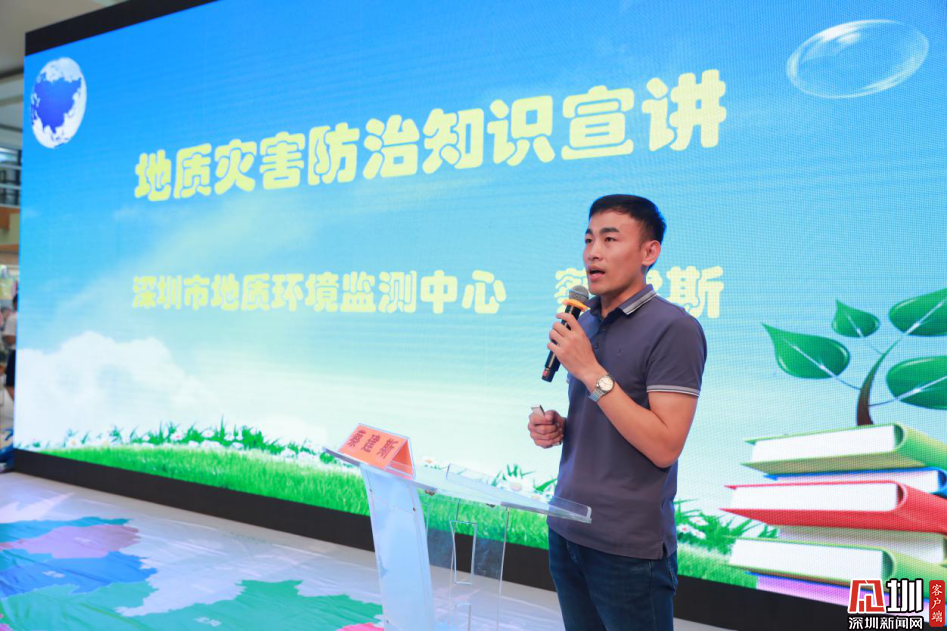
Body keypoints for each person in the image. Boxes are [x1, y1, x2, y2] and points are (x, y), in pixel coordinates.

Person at [529, 195, 706, 631]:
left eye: (610, 240)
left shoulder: (675, 328)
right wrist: (560, 427)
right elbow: (608, 415)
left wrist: (591, 371)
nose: (593, 252)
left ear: (649, 252)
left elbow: (664, 445)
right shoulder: (583, 321)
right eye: (588, 239)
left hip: (627, 549)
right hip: (567, 529)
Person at [4, 293, 16, 401]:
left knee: (10, 384)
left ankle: (22, 407)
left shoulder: (13, 318)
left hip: (16, 353)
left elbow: (10, 339)